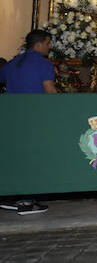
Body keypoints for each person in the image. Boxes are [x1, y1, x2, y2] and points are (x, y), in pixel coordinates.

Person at [0, 30, 57, 215]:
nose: (50, 46)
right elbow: (50, 94)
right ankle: (26, 202)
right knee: (34, 159)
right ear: (38, 44)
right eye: (48, 43)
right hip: (36, 118)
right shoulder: (43, 65)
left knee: (16, 158)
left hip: (13, 118)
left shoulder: (11, 63)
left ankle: (12, 197)